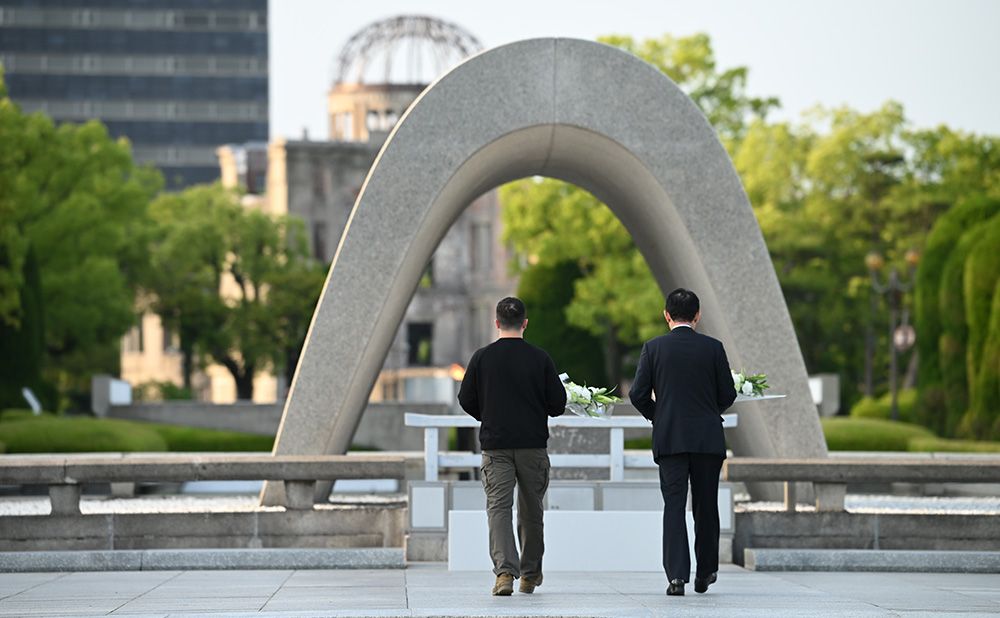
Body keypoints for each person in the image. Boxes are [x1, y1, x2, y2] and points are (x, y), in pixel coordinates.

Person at [629, 288, 737, 596]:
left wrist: (659, 415)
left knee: (674, 507)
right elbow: (727, 394)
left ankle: (676, 577)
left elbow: (638, 394)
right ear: (698, 316)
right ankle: (707, 571)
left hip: (671, 437)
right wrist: (707, 411)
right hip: (707, 438)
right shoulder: (713, 348)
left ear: (666, 316)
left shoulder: (654, 348)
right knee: (706, 506)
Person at [458, 296, 567, 596]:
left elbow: (465, 399)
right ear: (525, 323)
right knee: (532, 511)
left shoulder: (482, 358)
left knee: (498, 509)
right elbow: (558, 404)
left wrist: (488, 414)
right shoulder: (540, 358)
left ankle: (504, 573)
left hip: (496, 446)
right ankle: (530, 575)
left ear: (496, 323)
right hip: (532, 446)